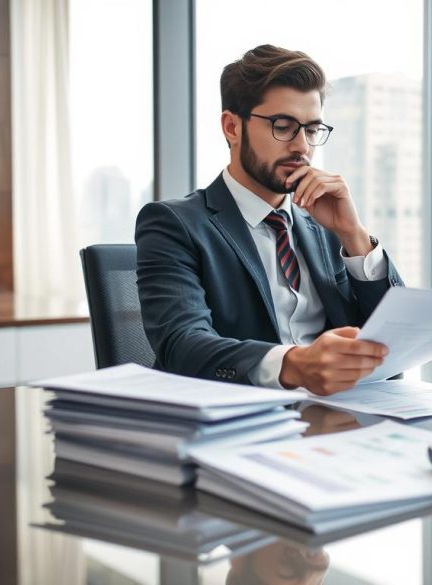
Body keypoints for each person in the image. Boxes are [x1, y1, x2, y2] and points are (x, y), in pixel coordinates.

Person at [136, 45, 403, 395]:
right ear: (232, 127)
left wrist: (353, 235)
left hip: (336, 419)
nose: (302, 147)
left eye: (311, 130)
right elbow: (182, 347)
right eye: (283, 126)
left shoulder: (326, 226)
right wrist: (295, 365)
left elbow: (395, 344)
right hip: (237, 420)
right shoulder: (174, 224)